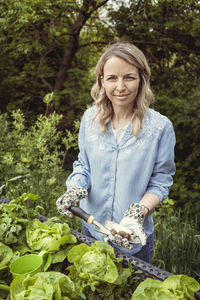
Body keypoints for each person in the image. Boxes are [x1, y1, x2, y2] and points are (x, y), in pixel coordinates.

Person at [56, 41, 176, 263]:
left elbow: (161, 181)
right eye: (112, 78)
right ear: (102, 81)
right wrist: (75, 190)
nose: (120, 86)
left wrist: (137, 214)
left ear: (142, 79)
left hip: (132, 238)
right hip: (91, 229)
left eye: (129, 77)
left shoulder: (160, 127)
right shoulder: (89, 119)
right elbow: (84, 166)